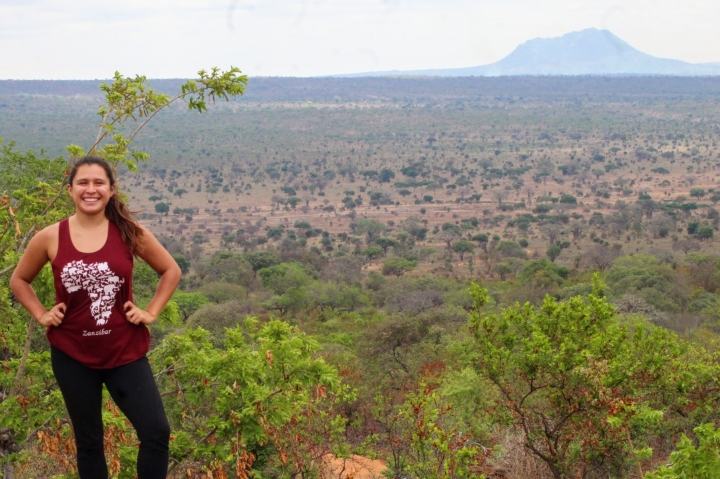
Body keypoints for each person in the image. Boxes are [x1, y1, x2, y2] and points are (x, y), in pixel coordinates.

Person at [10, 156, 181, 478]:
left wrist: (151, 311)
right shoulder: (50, 236)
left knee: (155, 432)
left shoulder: (129, 233)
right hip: (72, 353)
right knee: (89, 443)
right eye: (83, 183)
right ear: (70, 190)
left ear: (111, 190)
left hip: (125, 351)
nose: (91, 189)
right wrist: (42, 313)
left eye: (99, 183)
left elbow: (170, 270)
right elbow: (19, 280)